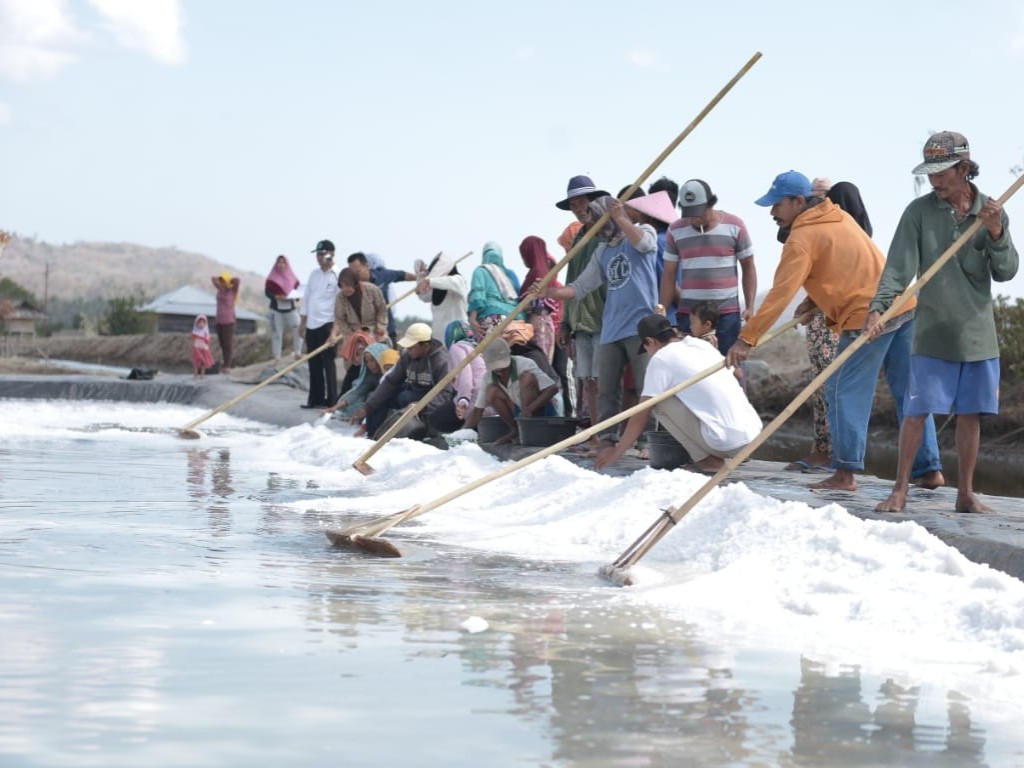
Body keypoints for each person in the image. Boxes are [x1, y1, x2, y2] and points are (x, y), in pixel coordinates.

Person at [727, 170, 943, 493]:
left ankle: (844, 474)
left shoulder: (801, 238)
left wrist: (747, 339)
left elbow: (780, 294)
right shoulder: (838, 216)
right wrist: (814, 299)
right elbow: (847, 264)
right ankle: (929, 470)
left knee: (841, 392)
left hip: (866, 316)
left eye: (777, 205)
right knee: (909, 393)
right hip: (903, 305)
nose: (772, 213)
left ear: (799, 202)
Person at [868, 131, 1018, 514]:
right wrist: (879, 309)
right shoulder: (918, 213)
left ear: (964, 168)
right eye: (930, 173)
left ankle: (965, 494)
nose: (935, 180)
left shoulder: (991, 210)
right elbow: (898, 268)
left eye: (942, 172)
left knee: (971, 415)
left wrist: (996, 232)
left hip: (977, 334)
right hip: (932, 332)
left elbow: (1006, 272)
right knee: (916, 412)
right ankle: (900, 489)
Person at [545, 194, 661, 447]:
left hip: (641, 325)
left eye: (601, 221)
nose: (598, 229)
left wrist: (621, 217)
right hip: (611, 328)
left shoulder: (643, 231)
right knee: (607, 388)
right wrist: (551, 292)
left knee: (645, 386)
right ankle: (608, 438)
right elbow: (580, 287)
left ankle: (646, 441)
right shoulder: (601, 251)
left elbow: (644, 246)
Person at [595, 314, 762, 473]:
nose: (648, 354)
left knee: (657, 401)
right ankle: (712, 453)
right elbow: (735, 374)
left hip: (727, 443)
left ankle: (708, 461)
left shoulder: (661, 358)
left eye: (646, 348)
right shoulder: (700, 345)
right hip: (755, 435)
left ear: (650, 341)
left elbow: (642, 413)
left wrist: (617, 452)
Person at [783, 180, 871, 472]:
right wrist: (810, 302)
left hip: (841, 323)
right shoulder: (830, 231)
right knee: (824, 385)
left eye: (822, 196)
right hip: (829, 321)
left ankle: (831, 453)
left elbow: (839, 281)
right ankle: (829, 450)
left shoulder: (849, 235)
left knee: (832, 387)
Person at [659, 179, 756, 355]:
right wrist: (663, 312)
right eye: (690, 213)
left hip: (726, 313)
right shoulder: (675, 230)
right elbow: (669, 275)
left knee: (730, 364)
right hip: (691, 314)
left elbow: (748, 267)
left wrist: (750, 306)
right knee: (692, 367)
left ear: (710, 203)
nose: (695, 218)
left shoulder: (735, 226)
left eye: (699, 212)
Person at [554, 174, 609, 432]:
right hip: (581, 322)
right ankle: (597, 435)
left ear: (594, 201)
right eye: (574, 205)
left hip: (603, 318)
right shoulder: (578, 240)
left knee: (605, 381)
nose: (578, 210)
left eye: (582, 203)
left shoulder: (606, 235)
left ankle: (610, 436)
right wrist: (565, 322)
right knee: (588, 381)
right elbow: (572, 280)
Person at [352, 322, 459, 439]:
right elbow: (391, 381)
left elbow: (445, 393)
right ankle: (373, 436)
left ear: (425, 346)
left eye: (412, 346)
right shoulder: (407, 355)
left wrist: (421, 405)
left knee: (406, 397)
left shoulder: (441, 361)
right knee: (379, 397)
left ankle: (422, 431)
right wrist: (368, 407)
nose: (408, 349)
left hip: (433, 400)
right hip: (413, 392)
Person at [464, 338, 559, 444]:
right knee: (491, 390)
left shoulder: (524, 364)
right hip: (518, 413)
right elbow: (477, 411)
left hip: (540, 412)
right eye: (497, 369)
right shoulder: (488, 377)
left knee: (527, 378)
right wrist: (461, 433)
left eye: (503, 369)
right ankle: (517, 430)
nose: (500, 371)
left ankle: (527, 430)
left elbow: (552, 388)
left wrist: (529, 409)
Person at [298, 239, 340, 409]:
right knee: (313, 363)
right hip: (312, 324)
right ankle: (315, 399)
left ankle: (331, 400)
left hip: (328, 323)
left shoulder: (338, 274)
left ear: (332, 254)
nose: (320, 257)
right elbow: (307, 299)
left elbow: (340, 305)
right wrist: (302, 323)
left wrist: (334, 332)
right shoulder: (314, 274)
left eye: (323, 253)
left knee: (328, 363)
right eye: (318, 254)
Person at [346, 252, 416, 345]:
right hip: (367, 336)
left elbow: (402, 275)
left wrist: (420, 279)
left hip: (388, 330)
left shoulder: (382, 275)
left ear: (367, 266)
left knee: (391, 358)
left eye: (358, 272)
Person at [325, 342, 390, 430]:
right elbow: (357, 392)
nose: (370, 365)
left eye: (372, 360)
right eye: (367, 361)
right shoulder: (371, 376)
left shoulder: (392, 373)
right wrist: (335, 407)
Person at [519, 235, 562, 363]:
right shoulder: (543, 272)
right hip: (545, 324)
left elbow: (539, 304)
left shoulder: (537, 273)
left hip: (538, 324)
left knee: (538, 365)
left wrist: (530, 329)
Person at [467, 241, 522, 339]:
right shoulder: (510, 275)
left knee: (487, 352)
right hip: (516, 321)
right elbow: (519, 297)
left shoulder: (480, 270)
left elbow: (478, 293)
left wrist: (472, 319)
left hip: (492, 318)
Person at [328, 267, 388, 349]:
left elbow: (382, 310)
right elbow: (340, 319)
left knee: (381, 352)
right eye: (342, 286)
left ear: (355, 282)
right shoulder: (340, 297)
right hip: (353, 333)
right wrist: (351, 335)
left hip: (374, 329)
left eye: (348, 285)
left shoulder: (372, 289)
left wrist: (380, 327)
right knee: (355, 354)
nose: (345, 289)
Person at [415, 252, 469, 341]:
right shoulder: (435, 286)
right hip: (439, 336)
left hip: (458, 335)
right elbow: (424, 296)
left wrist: (429, 281)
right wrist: (420, 276)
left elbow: (450, 282)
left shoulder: (459, 280)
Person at [444, 320, 487, 426]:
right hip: (488, 397)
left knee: (438, 420)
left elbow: (465, 374)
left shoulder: (457, 348)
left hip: (475, 400)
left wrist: (463, 399)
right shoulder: (477, 347)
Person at [265, 255, 303, 363]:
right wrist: (275, 296)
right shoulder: (271, 279)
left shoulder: (293, 278)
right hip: (276, 310)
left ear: (287, 264)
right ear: (276, 264)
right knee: (277, 333)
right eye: (279, 262)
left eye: (283, 262)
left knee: (299, 328)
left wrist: (294, 297)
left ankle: (297, 352)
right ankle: (277, 356)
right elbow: (267, 292)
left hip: (290, 309)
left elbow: (298, 293)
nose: (281, 265)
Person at [210, 270, 240, 373]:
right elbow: (213, 278)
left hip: (229, 321)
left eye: (224, 281)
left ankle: (227, 365)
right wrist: (220, 283)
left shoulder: (232, 291)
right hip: (219, 320)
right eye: (221, 281)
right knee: (222, 344)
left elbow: (237, 280)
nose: (222, 283)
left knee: (228, 344)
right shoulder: (219, 290)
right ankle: (224, 364)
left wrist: (229, 283)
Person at [336, 329, 376, 396]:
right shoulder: (353, 369)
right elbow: (344, 394)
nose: (357, 358)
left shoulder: (374, 372)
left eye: (362, 351)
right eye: (356, 354)